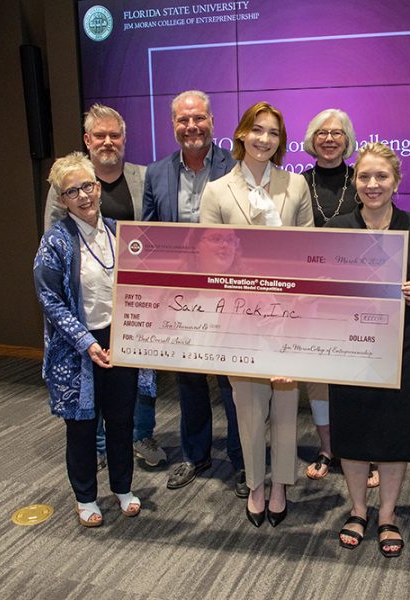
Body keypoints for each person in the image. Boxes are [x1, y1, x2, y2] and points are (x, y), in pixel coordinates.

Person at [200, 101, 314, 527]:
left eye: (274, 132)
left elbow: (306, 253)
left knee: (286, 407)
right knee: (248, 409)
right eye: (258, 130)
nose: (265, 139)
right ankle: (256, 484)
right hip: (237, 319)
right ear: (242, 134)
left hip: (285, 316)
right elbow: (209, 256)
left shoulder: (295, 186)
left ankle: (281, 483)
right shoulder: (216, 190)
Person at [326, 142, 410, 557]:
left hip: (402, 343)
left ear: (397, 181)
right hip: (350, 346)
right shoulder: (336, 228)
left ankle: (388, 515)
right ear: (355, 181)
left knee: (395, 431)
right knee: (353, 428)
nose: (372, 184)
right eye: (364, 177)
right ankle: (358, 511)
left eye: (381, 177)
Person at [43, 104, 164, 470]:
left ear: (124, 139)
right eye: (100, 135)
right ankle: (97, 448)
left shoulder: (144, 177)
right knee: (90, 379)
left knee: (137, 379)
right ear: (87, 140)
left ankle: (140, 437)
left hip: (135, 305)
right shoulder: (66, 184)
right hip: (86, 306)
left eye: (114, 135)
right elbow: (51, 241)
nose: (107, 142)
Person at [34, 151, 147, 527]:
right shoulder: (55, 242)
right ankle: (85, 497)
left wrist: (129, 336)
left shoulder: (121, 232)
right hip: (77, 348)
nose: (83, 196)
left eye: (87, 186)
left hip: (120, 342)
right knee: (82, 426)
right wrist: (86, 342)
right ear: (62, 200)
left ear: (98, 187)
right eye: (71, 192)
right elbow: (50, 300)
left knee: (121, 420)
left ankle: (123, 488)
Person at [142, 90, 246, 496]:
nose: (191, 127)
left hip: (228, 291)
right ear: (173, 126)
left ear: (212, 122)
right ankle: (196, 454)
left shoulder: (236, 168)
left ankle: (243, 461)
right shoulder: (156, 174)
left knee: (233, 382)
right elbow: (149, 238)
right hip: (183, 298)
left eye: (198, 119)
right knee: (189, 380)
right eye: (183, 121)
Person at [299, 109, 379, 487]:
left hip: (358, 294)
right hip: (313, 296)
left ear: (348, 140)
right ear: (312, 139)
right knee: (318, 378)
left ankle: (364, 448)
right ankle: (329, 447)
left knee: (359, 374)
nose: (330, 139)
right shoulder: (299, 183)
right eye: (322, 133)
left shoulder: (363, 179)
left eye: (337, 133)